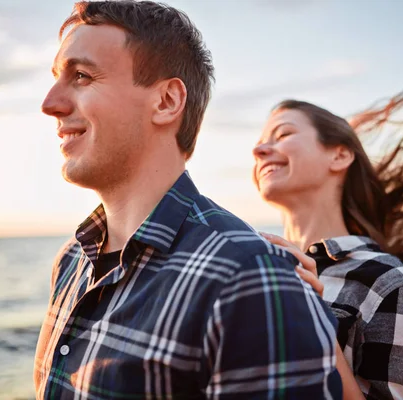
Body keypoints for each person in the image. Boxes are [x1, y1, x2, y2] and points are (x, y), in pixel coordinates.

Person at [34, 1, 343, 399]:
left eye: (81, 75)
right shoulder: (71, 261)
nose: (49, 104)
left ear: (166, 102)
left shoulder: (249, 277)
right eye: (58, 77)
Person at [253, 71, 403, 399]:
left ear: (339, 155)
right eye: (261, 141)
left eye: (282, 134)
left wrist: (312, 313)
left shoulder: (387, 283)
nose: (259, 149)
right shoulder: (254, 265)